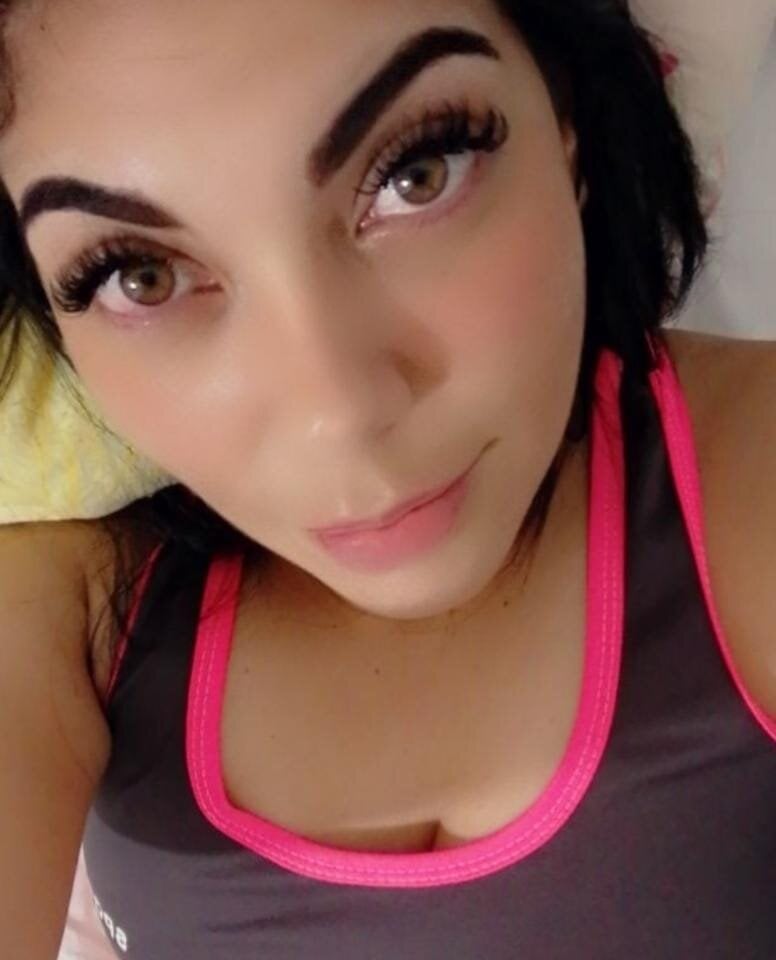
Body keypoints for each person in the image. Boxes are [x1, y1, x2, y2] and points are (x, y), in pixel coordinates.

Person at [0, 1, 774, 957]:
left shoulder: (749, 472)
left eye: (418, 173)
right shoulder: (70, 592)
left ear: (565, 117)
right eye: (139, 276)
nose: (338, 411)